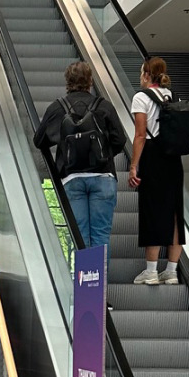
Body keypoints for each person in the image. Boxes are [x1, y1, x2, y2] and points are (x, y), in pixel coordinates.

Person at [33, 60, 127, 251]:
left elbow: (39, 141)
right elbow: (120, 140)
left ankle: (82, 281)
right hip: (103, 177)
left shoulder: (58, 108)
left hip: (72, 178)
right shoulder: (104, 106)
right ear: (90, 81)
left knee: (80, 236)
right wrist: (104, 155)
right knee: (101, 236)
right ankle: (100, 281)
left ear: (67, 81)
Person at [128, 55, 185, 285]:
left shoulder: (141, 97)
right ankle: (171, 271)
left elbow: (140, 135)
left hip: (152, 155)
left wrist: (133, 166)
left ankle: (151, 271)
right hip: (173, 157)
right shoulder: (173, 96)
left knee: (152, 209)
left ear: (146, 74)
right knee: (174, 212)